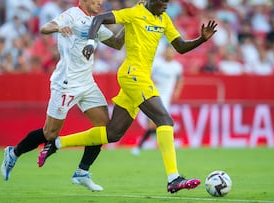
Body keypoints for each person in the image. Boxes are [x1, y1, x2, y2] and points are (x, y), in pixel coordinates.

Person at [39, 0, 217, 193]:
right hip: (133, 75)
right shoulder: (134, 13)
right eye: (163, 1)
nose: (166, 5)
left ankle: (56, 143)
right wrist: (91, 41)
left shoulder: (164, 19)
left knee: (113, 133)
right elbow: (99, 18)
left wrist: (201, 39)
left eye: (168, 2)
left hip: (140, 78)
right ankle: (173, 178)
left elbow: (180, 47)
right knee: (164, 120)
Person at [0, 0, 125, 192]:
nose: (100, 2)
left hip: (87, 83)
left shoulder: (96, 21)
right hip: (66, 83)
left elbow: (117, 43)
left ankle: (82, 172)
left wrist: (133, 22)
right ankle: (13, 153)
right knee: (50, 133)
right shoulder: (72, 14)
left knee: (103, 128)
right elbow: (45, 27)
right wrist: (59, 27)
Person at [131, 44, 183, 156]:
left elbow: (180, 79)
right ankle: (156, 144)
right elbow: (146, 75)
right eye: (168, 51)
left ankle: (141, 146)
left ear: (174, 53)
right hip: (153, 95)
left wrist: (177, 91)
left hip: (165, 98)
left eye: (171, 51)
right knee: (154, 124)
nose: (169, 53)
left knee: (156, 123)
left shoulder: (176, 67)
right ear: (165, 52)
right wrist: (151, 80)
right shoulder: (157, 64)